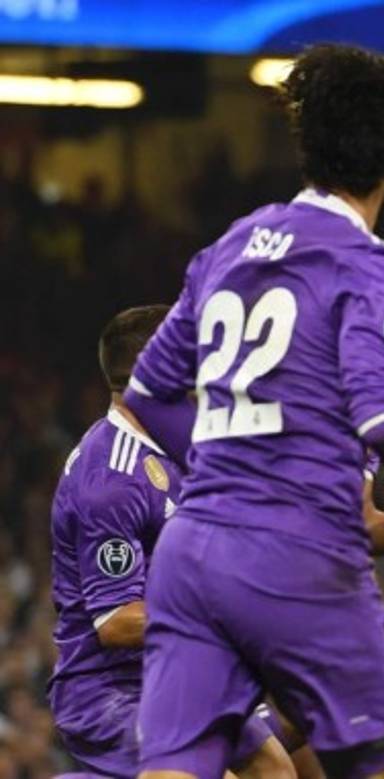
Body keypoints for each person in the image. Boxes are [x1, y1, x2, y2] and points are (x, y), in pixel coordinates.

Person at [121, 45, 384, 779]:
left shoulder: (228, 247)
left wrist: (234, 460)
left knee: (175, 769)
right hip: (298, 562)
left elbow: (149, 394)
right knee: (379, 768)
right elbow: (383, 417)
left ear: (305, 147)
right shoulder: (371, 264)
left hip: (189, 555)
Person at [48, 305, 295, 779]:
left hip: (182, 676)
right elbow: (116, 622)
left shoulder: (177, 445)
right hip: (109, 691)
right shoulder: (111, 481)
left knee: (277, 768)